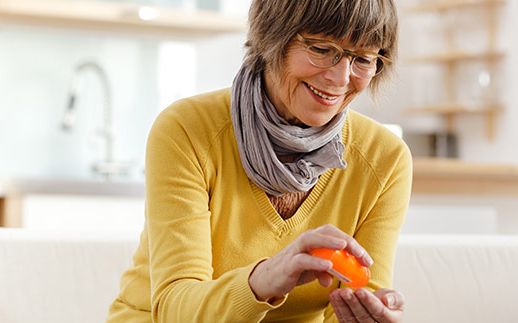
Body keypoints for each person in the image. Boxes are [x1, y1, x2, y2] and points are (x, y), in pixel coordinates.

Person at [106, 0, 410, 321]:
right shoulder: (188, 129)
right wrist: (266, 279)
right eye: (322, 49)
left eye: (363, 59)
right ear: (272, 37)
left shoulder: (385, 159)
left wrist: (369, 316)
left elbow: (355, 298)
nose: (340, 77)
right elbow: (175, 307)